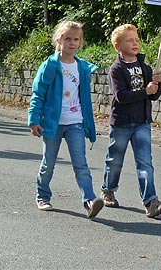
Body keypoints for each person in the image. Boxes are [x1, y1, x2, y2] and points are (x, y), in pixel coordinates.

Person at [27, 20, 104, 219]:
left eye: (76, 39)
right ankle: (42, 196)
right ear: (59, 41)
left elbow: (83, 98)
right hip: (52, 123)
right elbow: (38, 93)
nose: (72, 43)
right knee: (49, 162)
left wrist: (89, 123)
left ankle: (89, 200)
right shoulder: (50, 65)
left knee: (81, 163)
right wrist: (34, 119)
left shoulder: (82, 67)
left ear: (80, 42)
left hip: (75, 121)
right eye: (67, 39)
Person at [100, 24, 161, 218]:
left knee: (145, 162)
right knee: (115, 160)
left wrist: (158, 82)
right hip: (122, 122)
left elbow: (153, 96)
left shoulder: (145, 67)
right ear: (117, 46)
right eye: (129, 40)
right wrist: (144, 91)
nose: (135, 43)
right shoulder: (116, 69)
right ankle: (108, 189)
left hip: (142, 122)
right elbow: (121, 96)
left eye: (136, 39)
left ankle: (151, 202)